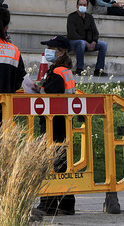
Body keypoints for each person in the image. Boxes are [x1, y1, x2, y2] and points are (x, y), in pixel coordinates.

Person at [35, 35, 76, 216]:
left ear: (61, 52)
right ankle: (67, 204)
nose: (48, 51)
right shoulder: (63, 69)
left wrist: (39, 89)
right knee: (62, 163)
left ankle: (48, 203)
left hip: (53, 121)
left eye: (51, 48)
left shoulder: (57, 71)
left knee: (50, 161)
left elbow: (51, 95)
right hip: (63, 121)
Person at [67, 0, 108, 76]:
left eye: (84, 5)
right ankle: (79, 69)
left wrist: (94, 42)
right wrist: (85, 42)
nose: (82, 6)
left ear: (87, 7)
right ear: (77, 6)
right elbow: (72, 33)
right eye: (80, 4)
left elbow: (95, 32)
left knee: (103, 45)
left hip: (88, 42)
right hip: (74, 42)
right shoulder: (71, 17)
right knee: (81, 43)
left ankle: (98, 70)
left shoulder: (89, 17)